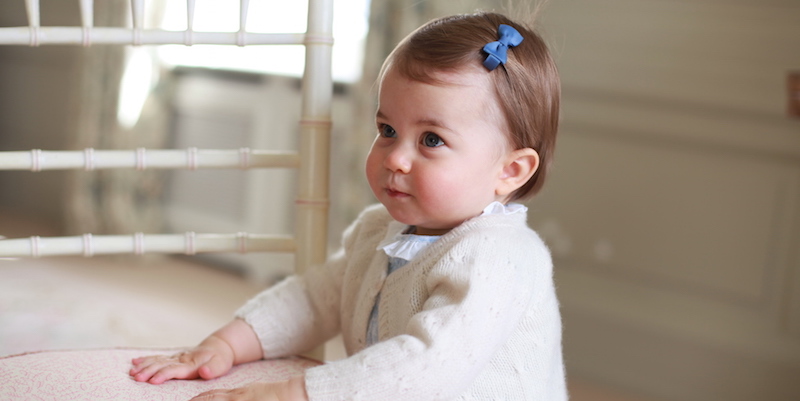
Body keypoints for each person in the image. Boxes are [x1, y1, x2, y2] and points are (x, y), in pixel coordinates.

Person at [130, 11, 566, 401]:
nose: (394, 157)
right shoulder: (378, 230)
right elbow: (314, 299)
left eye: (432, 140)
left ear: (510, 171)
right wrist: (225, 344)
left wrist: (288, 394)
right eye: (387, 129)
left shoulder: (502, 259)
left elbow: (421, 369)